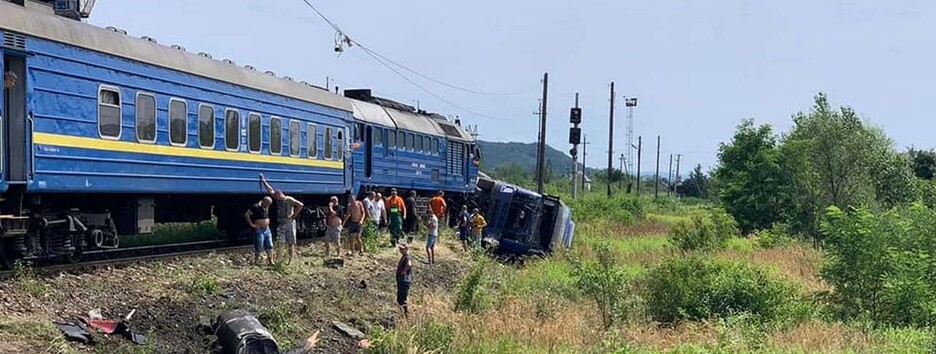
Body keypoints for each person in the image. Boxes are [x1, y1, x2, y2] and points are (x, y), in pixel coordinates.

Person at [259, 174, 304, 265]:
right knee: (280, 241)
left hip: (289, 223)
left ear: (281, 195)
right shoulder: (277, 198)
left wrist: (294, 214)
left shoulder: (289, 199)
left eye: (278, 197)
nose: (277, 199)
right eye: (276, 197)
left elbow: (300, 205)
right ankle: (279, 259)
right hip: (281, 223)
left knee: (290, 243)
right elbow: (270, 190)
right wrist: (264, 181)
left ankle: (290, 260)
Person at [245, 197, 274, 266]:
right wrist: (252, 224)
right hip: (259, 229)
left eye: (269, 204)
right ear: (263, 201)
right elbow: (247, 215)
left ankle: (271, 261)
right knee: (259, 245)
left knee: (270, 244)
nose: (268, 206)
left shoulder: (266, 207)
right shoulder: (255, 207)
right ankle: (256, 261)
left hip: (267, 228)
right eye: (267, 204)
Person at [396, 243, 413, 317]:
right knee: (400, 299)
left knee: (402, 299)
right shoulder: (404, 257)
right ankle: (402, 314)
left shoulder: (407, 257)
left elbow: (409, 264)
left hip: (404, 281)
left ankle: (406, 315)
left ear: (406, 249)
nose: (401, 250)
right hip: (401, 280)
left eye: (402, 249)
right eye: (400, 249)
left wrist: (404, 271)